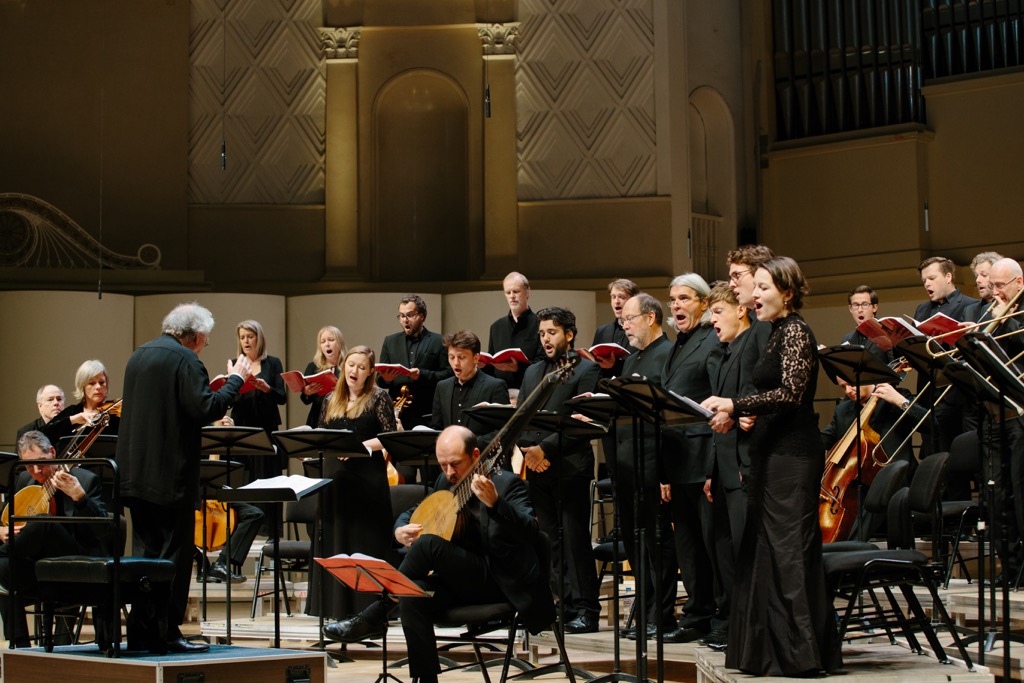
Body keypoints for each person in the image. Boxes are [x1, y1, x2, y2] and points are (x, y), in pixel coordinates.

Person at [321, 426, 554, 683]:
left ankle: (376, 613)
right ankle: (426, 679)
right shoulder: (446, 483)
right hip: (461, 582)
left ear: (476, 455)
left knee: (428, 545)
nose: (449, 472)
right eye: (443, 465)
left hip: (501, 583)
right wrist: (399, 530)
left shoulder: (506, 484)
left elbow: (532, 530)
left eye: (455, 464)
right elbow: (412, 513)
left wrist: (496, 504)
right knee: (413, 591)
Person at [703, 256, 841, 676]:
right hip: (770, 453)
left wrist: (735, 403)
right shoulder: (776, 331)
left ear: (788, 292)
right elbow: (771, 398)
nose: (756, 294)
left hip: (791, 457)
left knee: (787, 552)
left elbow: (791, 394)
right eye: (756, 286)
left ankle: (799, 655)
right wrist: (739, 415)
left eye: (764, 288)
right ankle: (767, 653)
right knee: (764, 552)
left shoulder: (796, 330)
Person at [117, 302, 251, 654]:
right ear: (196, 335)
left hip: (134, 475)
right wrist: (236, 380)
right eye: (206, 340)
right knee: (173, 559)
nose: (204, 346)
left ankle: (141, 632)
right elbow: (205, 408)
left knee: (145, 557)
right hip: (169, 478)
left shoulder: (138, 356)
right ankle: (166, 632)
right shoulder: (186, 360)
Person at [518, 307, 602, 633]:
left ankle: (587, 608)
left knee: (575, 540)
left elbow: (582, 423)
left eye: (551, 333)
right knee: (550, 540)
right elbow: (521, 415)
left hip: (570, 467)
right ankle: (564, 604)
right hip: (537, 467)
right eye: (541, 334)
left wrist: (546, 449)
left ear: (569, 334)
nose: (545, 339)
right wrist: (528, 451)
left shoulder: (587, 369)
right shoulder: (532, 372)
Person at [0, 431, 109, 649]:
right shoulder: (24, 480)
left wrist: (80, 497)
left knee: (43, 522)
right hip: (38, 567)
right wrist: (1, 531)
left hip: (76, 561)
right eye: (29, 466)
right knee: (3, 567)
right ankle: (20, 649)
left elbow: (103, 529)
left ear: (52, 452)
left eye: (41, 462)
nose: (36, 470)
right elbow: (7, 518)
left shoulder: (85, 480)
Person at [313, 345, 397, 624]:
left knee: (364, 540)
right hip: (335, 479)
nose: (355, 371)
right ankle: (335, 609)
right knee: (336, 538)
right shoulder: (330, 399)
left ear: (370, 372)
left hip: (366, 480)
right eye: (351, 365)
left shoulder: (378, 397)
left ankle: (368, 610)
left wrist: (359, 447)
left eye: (361, 367)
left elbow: (389, 436)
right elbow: (321, 433)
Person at [658, 273, 721, 643]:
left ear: (703, 302)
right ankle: (697, 614)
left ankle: (720, 616)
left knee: (710, 543)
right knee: (687, 545)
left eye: (684, 298)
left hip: (703, 456)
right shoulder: (677, 344)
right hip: (678, 459)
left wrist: (714, 465)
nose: (676, 305)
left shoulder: (711, 339)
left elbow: (716, 401)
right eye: (672, 299)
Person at [612, 293, 677, 636]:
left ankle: (661, 615)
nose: (624, 326)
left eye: (629, 319)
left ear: (651, 318)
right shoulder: (630, 360)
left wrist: (665, 471)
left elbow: (667, 419)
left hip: (653, 463)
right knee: (635, 543)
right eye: (622, 320)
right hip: (627, 464)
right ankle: (645, 610)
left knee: (657, 542)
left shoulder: (668, 354)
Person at [701, 282, 758, 649]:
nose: (713, 320)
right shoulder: (723, 353)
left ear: (741, 309)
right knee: (721, 546)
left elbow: (752, 402)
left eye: (718, 312)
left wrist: (737, 416)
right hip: (721, 464)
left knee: (741, 547)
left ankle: (746, 625)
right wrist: (711, 471)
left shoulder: (753, 345)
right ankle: (729, 619)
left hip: (743, 460)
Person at [820, 377, 925, 539]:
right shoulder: (843, 410)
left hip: (896, 483)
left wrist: (901, 402)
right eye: (843, 387)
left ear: (866, 377)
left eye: (851, 384)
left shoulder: (895, 398)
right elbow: (822, 440)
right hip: (858, 487)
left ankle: (851, 547)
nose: (848, 391)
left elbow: (931, 425)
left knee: (876, 495)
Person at [914, 256, 978, 459]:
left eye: (932, 278)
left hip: (956, 394)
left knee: (957, 457)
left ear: (948, 277)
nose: (927, 284)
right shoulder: (922, 309)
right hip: (928, 391)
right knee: (931, 455)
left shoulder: (970, 305)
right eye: (924, 280)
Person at [378, 295, 451, 429]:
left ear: (422, 316)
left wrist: (422, 375)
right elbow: (380, 379)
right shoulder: (390, 341)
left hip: (428, 410)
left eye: (410, 315)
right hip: (397, 411)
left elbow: (448, 375)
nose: (405, 320)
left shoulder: (438, 341)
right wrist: (386, 379)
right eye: (401, 316)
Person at [230, 319, 287, 479]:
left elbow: (282, 397)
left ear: (259, 338)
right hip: (242, 427)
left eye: (250, 336)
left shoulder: (273, 363)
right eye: (242, 337)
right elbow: (229, 400)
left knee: (267, 475)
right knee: (244, 477)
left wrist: (267, 388)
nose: (246, 341)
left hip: (266, 428)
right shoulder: (235, 364)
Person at [430, 330, 509, 445]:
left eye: (461, 357)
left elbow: (504, 430)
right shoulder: (442, 387)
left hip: (480, 453)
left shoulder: (495, 386)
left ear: (476, 358)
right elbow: (437, 427)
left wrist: (470, 445)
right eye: (451, 357)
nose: (455, 363)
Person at [486, 272, 544, 392]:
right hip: (501, 392)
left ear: (527, 292)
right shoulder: (496, 327)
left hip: (530, 390)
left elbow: (543, 364)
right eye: (508, 292)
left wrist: (518, 368)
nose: (512, 296)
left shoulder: (540, 324)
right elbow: (491, 367)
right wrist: (482, 365)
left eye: (516, 291)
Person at [43, 360, 120, 447]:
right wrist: (73, 420)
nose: (98, 387)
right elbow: (42, 436)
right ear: (82, 387)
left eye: (102, 382)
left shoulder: (115, 413)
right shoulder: (73, 412)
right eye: (92, 383)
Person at [592, 278, 640, 377]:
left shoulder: (641, 331)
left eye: (621, 297)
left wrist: (615, 365)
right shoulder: (602, 331)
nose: (616, 301)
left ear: (633, 300)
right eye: (613, 297)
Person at [299, 325, 346, 428]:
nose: (327, 344)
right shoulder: (313, 367)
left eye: (331, 340)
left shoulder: (347, 366)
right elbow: (305, 400)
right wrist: (307, 392)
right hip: (317, 417)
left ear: (339, 343)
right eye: (323, 342)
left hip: (341, 417)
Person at [840, 285, 894, 366]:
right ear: (850, 309)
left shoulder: (888, 333)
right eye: (856, 305)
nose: (860, 310)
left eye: (865, 304)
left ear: (874, 307)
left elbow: (898, 368)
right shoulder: (846, 339)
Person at [964, 251, 1004, 322]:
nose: (977, 280)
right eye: (976, 276)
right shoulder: (969, 311)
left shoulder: (1012, 306)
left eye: (984, 275)